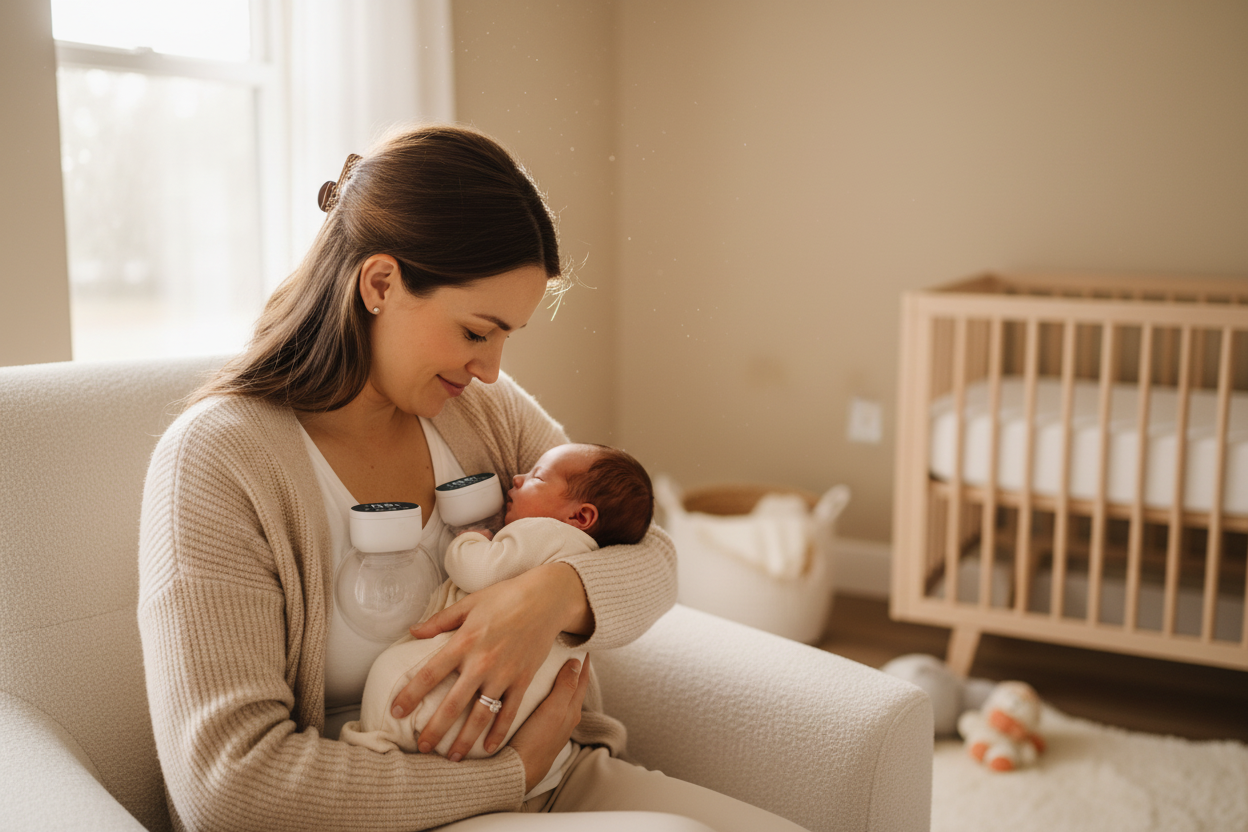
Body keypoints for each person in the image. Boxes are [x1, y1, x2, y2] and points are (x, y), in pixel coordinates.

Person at [137, 123, 807, 832]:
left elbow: (654, 558)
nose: (490, 369)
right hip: (385, 811)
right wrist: (505, 775)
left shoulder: (481, 412)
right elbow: (231, 787)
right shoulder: (216, 464)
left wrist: (553, 596)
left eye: (505, 339)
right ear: (381, 283)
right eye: (475, 333)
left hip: (554, 782)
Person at [341, 443, 652, 773]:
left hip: (464, 713)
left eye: (538, 477)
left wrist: (469, 539)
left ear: (580, 516)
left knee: (390, 673)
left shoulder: (545, 533)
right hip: (514, 725)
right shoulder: (588, 552)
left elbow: (480, 570)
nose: (517, 477)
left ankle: (373, 749)